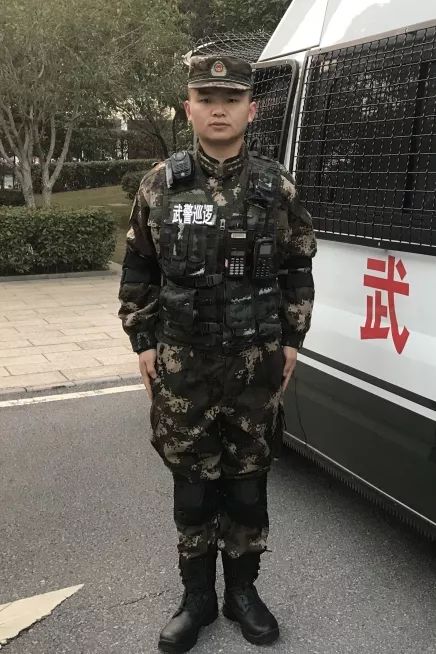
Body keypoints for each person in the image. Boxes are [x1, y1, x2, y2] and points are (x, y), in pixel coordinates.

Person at [118, 54, 316, 653]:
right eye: (206, 98)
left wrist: (292, 340)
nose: (219, 109)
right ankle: (197, 598)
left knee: (248, 481)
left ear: (252, 109)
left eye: (231, 99)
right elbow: (139, 268)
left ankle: (243, 594)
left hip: (256, 363)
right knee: (194, 484)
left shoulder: (276, 187)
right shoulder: (160, 185)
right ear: (189, 109)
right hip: (185, 365)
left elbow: (297, 267)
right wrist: (143, 342)